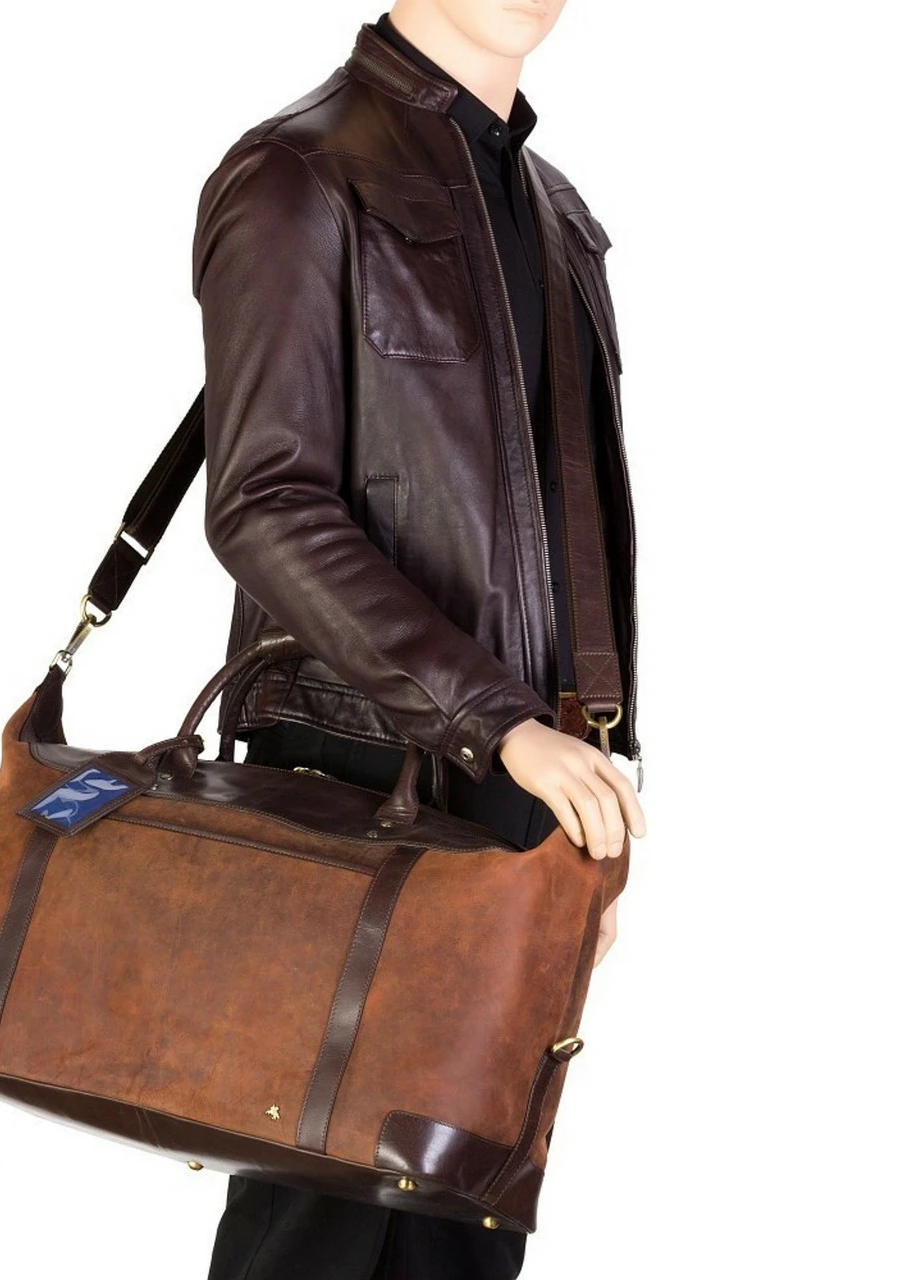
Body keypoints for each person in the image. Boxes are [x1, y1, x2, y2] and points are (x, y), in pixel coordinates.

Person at [190, 4, 647, 1277]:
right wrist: (499, 724)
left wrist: (588, 792)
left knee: (462, 1237)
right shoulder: (295, 173)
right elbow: (263, 503)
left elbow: (572, 530)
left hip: (521, 798)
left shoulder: (557, 216)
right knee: (318, 1229)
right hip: (351, 783)